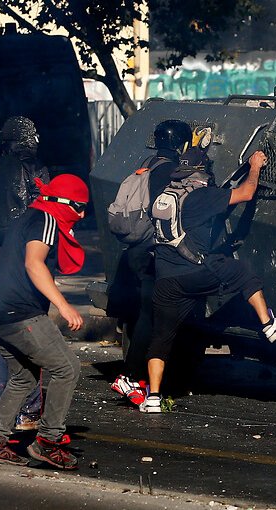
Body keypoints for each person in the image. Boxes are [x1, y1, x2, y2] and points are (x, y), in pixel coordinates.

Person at [139, 148, 276, 413]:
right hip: (194, 273)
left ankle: (153, 397)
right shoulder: (202, 196)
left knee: (161, 337)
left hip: (165, 278)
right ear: (202, 172)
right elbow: (246, 193)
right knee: (242, 272)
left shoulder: (165, 194)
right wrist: (254, 166)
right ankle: (269, 325)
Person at [0, 173, 87, 469]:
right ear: (62, 202)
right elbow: (32, 264)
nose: (82, 214)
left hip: (1, 312)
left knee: (24, 377)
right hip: (21, 313)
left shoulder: (25, 219)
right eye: (78, 206)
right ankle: (48, 442)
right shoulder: (47, 220)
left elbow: (5, 270)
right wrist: (64, 306)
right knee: (67, 369)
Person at [0, 115, 49, 433]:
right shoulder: (36, 169)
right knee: (30, 335)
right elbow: (44, 215)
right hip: (24, 262)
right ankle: (27, 411)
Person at [109, 120, 193, 401]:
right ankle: (130, 376)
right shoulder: (170, 172)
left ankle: (138, 375)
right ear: (181, 145)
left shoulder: (145, 164)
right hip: (152, 252)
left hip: (134, 251)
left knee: (145, 315)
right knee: (152, 315)